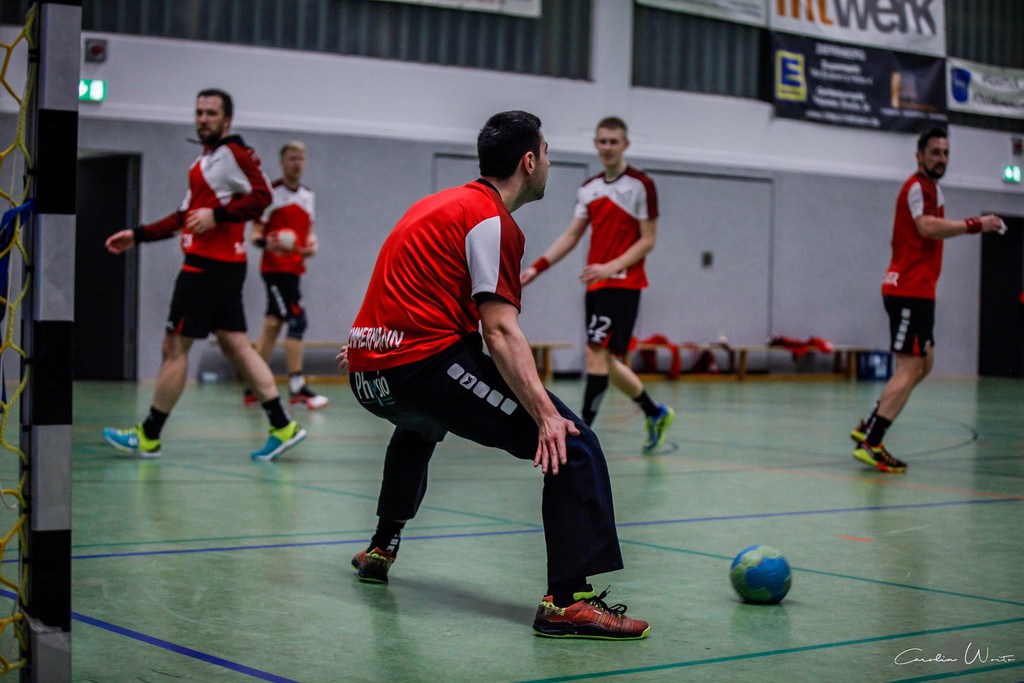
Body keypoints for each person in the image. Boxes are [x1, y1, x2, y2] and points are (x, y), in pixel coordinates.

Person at [338, 111, 649, 640]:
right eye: (546, 153)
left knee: (419, 426)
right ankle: (568, 601)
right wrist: (545, 415)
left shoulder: (435, 204)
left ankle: (380, 548)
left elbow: (396, 280)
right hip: (418, 367)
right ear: (529, 162)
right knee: (572, 443)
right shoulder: (492, 221)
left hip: (369, 373)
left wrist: (371, 347)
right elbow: (500, 331)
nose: (548, 162)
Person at [102, 89, 306, 462]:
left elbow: (262, 196)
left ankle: (149, 435)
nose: (203, 119)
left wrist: (218, 216)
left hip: (206, 268)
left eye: (211, 113)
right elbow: (184, 216)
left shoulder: (234, 153)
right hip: (219, 268)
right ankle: (283, 425)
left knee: (175, 347)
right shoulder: (206, 161)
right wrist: (139, 234)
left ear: (227, 119)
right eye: (199, 112)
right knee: (236, 345)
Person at [850, 127, 1005, 473]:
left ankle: (870, 424)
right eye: (935, 152)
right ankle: (873, 441)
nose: (941, 159)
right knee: (910, 366)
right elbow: (926, 227)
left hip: (919, 291)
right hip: (908, 290)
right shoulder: (918, 187)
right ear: (919, 156)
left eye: (946, 153)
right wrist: (975, 225)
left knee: (926, 361)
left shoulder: (933, 190)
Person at [520, 116, 673, 454]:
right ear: (596, 144)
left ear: (625, 145)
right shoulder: (589, 188)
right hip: (597, 286)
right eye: (602, 141)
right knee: (606, 361)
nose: (607, 147)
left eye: (613, 141)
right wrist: (535, 269)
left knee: (595, 354)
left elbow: (648, 240)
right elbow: (572, 235)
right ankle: (655, 412)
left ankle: (580, 437)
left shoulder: (641, 185)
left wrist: (611, 267)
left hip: (624, 284)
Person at [243, 140, 329, 410]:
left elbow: (309, 233)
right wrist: (271, 244)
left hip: (294, 270)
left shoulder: (307, 195)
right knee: (297, 321)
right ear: (282, 163)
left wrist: (311, 246)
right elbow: (255, 235)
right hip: (274, 271)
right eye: (292, 158)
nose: (297, 163)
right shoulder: (271, 194)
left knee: (272, 325)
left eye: (300, 159)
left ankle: (253, 387)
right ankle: (297, 387)